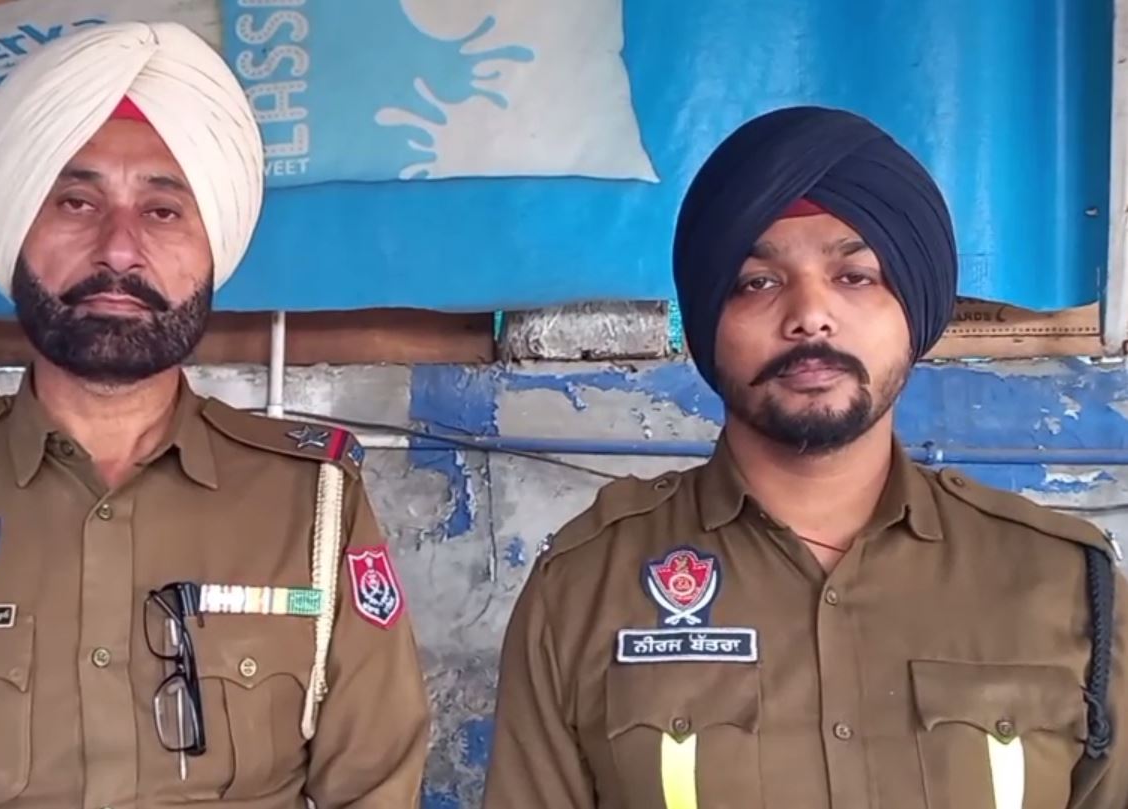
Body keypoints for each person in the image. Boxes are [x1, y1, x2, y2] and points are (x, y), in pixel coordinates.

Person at [0, 21, 429, 809]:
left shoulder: (313, 505)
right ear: (18, 229)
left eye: (163, 210)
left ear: (213, 247)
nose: (119, 250)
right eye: (76, 201)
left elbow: (376, 789)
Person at [481, 105, 1128, 808]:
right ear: (707, 320)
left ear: (912, 309)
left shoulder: (1063, 583)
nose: (809, 316)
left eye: (855, 276)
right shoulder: (582, 587)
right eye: (757, 282)